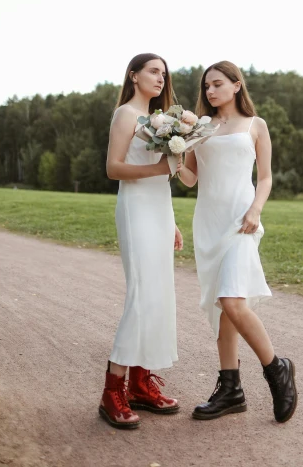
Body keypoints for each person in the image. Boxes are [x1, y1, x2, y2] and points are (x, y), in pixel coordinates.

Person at [179, 61, 297, 424]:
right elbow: (189, 179)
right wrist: (171, 154)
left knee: (232, 299)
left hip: (241, 222)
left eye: (217, 84)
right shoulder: (201, 127)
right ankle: (231, 390)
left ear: (236, 85)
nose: (210, 91)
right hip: (209, 224)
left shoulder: (256, 125)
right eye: (206, 87)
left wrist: (256, 210)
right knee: (222, 306)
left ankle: (277, 370)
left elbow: (265, 178)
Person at [99, 53, 183, 429]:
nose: (160, 78)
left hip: (159, 210)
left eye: (164, 73)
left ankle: (140, 384)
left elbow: (162, 179)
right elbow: (113, 168)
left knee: (159, 295)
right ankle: (112, 391)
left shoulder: (160, 121)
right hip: (134, 210)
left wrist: (173, 222)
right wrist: (158, 168)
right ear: (134, 76)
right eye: (153, 71)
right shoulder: (125, 115)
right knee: (141, 294)